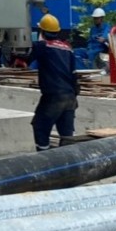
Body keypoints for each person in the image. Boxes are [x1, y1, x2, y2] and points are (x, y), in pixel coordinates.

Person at [29, 13, 79, 151]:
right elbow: (74, 74)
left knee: (40, 127)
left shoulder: (42, 46)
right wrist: (74, 95)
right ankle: (68, 162)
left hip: (53, 96)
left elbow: (25, 56)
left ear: (42, 32)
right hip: (70, 97)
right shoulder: (68, 48)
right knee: (67, 135)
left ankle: (44, 159)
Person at [75, 7, 110, 71]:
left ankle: (90, 71)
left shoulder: (106, 27)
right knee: (76, 52)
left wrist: (104, 39)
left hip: (99, 50)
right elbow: (90, 40)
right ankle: (82, 70)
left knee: (91, 54)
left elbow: (105, 38)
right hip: (90, 49)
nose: (95, 20)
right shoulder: (93, 29)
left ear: (102, 18)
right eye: (94, 18)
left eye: (97, 18)